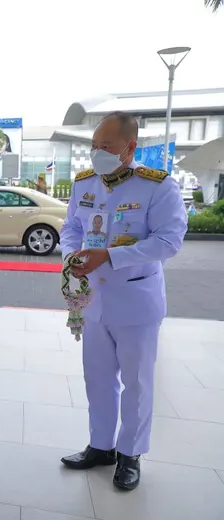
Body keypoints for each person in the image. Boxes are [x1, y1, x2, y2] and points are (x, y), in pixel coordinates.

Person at [59, 111, 188, 491]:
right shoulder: (85, 184)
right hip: (93, 300)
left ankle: (129, 453)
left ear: (130, 148)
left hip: (136, 301)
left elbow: (169, 241)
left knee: (136, 382)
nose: (98, 152)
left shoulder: (158, 186)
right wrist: (71, 255)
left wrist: (111, 256)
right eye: (94, 145)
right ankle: (101, 445)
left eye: (107, 146)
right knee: (97, 378)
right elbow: (71, 227)